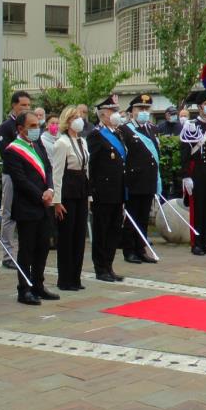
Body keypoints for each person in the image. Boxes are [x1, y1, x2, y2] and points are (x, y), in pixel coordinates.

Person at [3, 111, 58, 305]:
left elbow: (48, 168)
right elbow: (20, 180)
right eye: (32, 126)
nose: (37, 129)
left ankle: (38, 285)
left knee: (43, 247)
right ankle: (24, 289)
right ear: (20, 129)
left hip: (45, 205)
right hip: (27, 207)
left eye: (38, 125)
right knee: (26, 250)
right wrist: (40, 195)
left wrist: (50, 189)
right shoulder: (12, 150)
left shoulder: (38, 144)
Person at [180, 65, 206, 256]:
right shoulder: (190, 126)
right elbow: (185, 153)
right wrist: (186, 176)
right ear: (199, 107)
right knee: (197, 209)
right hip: (196, 172)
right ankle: (196, 242)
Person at [87, 95, 127, 282]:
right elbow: (92, 165)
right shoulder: (96, 135)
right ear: (103, 114)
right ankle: (100, 267)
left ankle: (109, 266)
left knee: (114, 231)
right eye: (112, 111)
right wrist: (92, 191)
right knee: (101, 230)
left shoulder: (118, 133)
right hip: (102, 192)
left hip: (118, 190)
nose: (116, 114)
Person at [52, 106, 90, 291]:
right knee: (67, 236)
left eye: (80, 116)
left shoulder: (83, 141)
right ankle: (65, 279)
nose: (79, 120)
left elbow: (87, 169)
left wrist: (89, 195)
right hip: (68, 191)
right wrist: (56, 201)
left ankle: (76, 277)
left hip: (81, 189)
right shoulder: (62, 143)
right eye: (74, 117)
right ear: (67, 122)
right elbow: (57, 173)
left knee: (79, 235)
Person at [119, 94, 160, 264]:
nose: (143, 112)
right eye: (140, 109)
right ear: (132, 111)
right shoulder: (125, 130)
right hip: (133, 181)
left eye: (146, 109)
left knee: (143, 217)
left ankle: (140, 248)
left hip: (148, 180)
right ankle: (129, 250)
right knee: (132, 217)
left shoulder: (151, 128)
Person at [0, 91, 32, 270]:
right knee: (8, 214)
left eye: (28, 105)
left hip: (29, 177)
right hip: (11, 175)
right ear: (14, 105)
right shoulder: (7, 127)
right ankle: (8, 254)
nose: (26, 108)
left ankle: (24, 252)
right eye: (23, 105)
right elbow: (6, 154)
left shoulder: (30, 126)